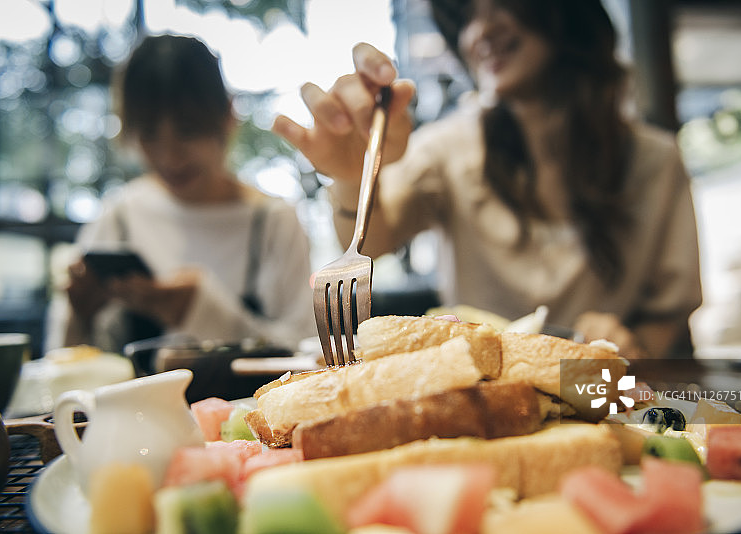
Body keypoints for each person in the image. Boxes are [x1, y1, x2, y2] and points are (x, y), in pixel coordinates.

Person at [271, 0, 703, 359]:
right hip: (485, 391)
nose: (479, 32)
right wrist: (352, 176)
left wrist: (631, 346)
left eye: (502, 5)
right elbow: (374, 238)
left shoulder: (655, 160)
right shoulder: (447, 148)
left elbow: (669, 316)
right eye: (467, 17)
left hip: (602, 393)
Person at [46, 34, 316, 355]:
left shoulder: (271, 221)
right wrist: (80, 313)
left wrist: (198, 309)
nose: (169, 156)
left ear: (227, 116)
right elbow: (63, 361)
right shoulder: (119, 217)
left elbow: (306, 352)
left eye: (188, 130)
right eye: (148, 134)